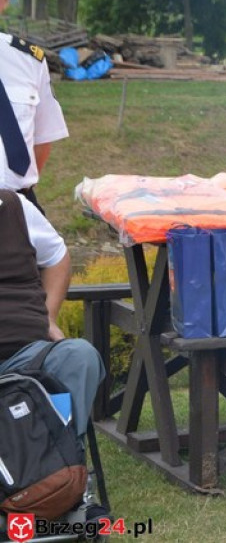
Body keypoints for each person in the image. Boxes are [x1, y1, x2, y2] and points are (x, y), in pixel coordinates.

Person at [0, 188, 107, 515]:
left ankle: (57, 476)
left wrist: (49, 317)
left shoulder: (15, 208)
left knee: (79, 356)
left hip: (26, 354)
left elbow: (58, 256)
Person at [0, 0, 69, 212]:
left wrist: (17, 186)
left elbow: (43, 138)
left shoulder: (30, 61)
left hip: (17, 208)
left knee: (56, 254)